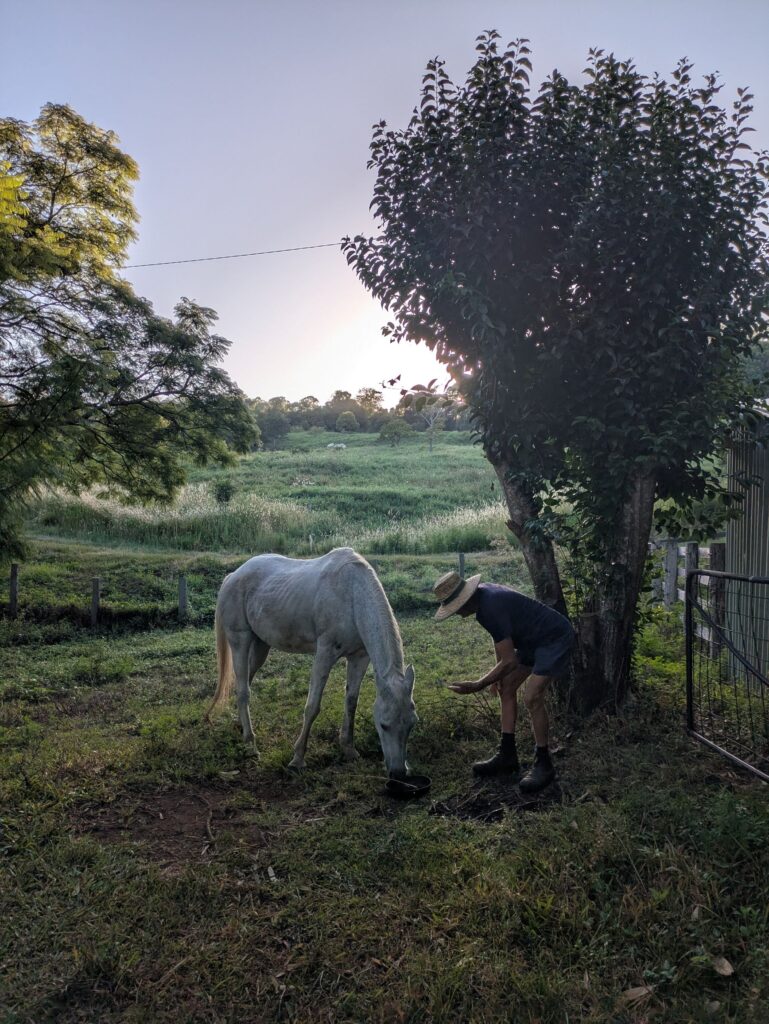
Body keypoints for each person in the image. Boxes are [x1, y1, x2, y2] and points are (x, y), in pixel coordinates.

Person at [433, 571, 575, 793]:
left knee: (532, 697)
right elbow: (500, 641)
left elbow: (509, 660)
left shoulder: (490, 606)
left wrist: (478, 684)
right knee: (506, 687)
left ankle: (544, 763)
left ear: (465, 601)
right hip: (530, 640)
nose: (458, 615)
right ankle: (507, 755)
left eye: (456, 609)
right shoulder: (484, 601)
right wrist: (496, 676)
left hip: (553, 637)